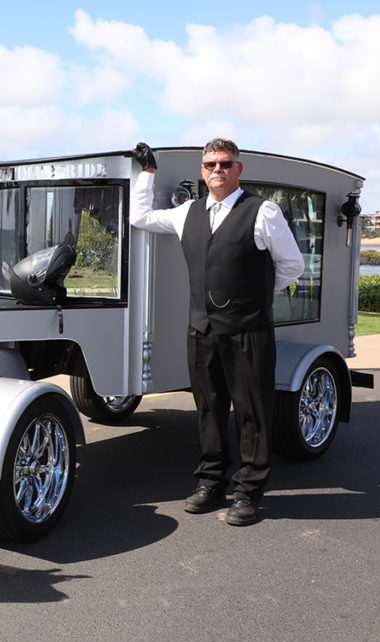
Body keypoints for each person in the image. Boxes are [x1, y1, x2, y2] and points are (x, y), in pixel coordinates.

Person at [129, 138, 304, 526]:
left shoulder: (263, 212)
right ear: (202, 171)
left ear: (238, 168)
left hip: (248, 332)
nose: (217, 170)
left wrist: (253, 297)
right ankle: (210, 483)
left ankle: (248, 492)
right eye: (210, 165)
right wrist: (147, 173)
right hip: (201, 330)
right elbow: (139, 217)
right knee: (208, 410)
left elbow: (292, 265)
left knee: (252, 413)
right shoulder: (186, 211)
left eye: (225, 163)